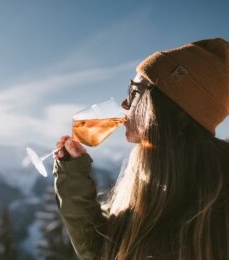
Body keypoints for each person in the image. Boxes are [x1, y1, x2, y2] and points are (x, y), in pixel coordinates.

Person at [53, 38, 229, 260]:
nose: (125, 104)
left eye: (135, 91)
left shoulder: (219, 198)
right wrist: (73, 177)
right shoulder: (149, 175)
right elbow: (104, 251)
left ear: (166, 104)